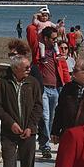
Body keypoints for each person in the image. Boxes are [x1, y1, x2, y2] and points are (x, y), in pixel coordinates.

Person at [34, 26, 64, 159]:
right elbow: (31, 34)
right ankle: (45, 146)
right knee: (45, 117)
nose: (55, 41)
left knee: (51, 118)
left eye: (56, 38)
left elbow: (63, 68)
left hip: (56, 88)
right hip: (44, 88)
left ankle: (43, 141)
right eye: (53, 39)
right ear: (45, 39)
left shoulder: (56, 52)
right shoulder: (39, 52)